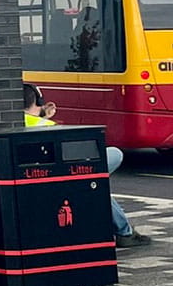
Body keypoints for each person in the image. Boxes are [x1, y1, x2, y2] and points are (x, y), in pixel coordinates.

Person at [22, 84, 152, 248]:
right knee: (112, 158)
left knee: (96, 182)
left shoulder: (13, 121)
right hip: (62, 177)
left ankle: (124, 231)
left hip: (33, 179)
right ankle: (124, 233)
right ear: (39, 101)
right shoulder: (47, 127)